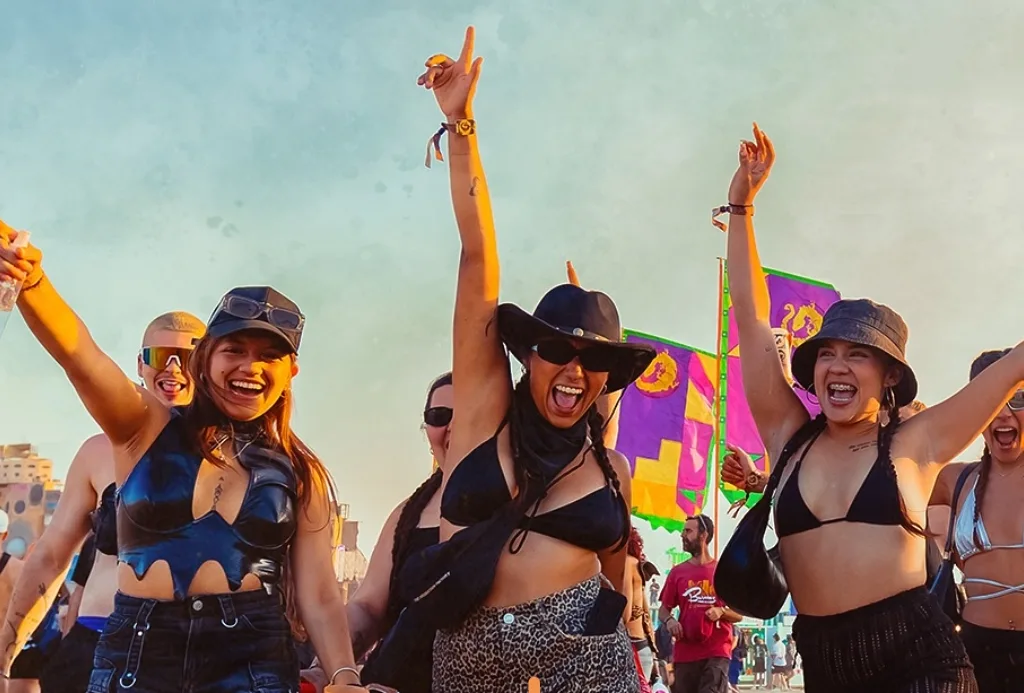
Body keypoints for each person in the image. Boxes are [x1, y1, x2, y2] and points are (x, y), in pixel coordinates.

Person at [715, 123, 1024, 691]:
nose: (838, 365)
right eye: (827, 353)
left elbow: (1013, 368)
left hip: (921, 661)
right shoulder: (788, 436)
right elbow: (751, 316)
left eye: (858, 355)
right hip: (825, 665)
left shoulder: (917, 441)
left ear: (890, 377)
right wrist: (742, 206)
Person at [0, 223, 368, 693]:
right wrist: (34, 283)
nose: (250, 367)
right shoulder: (142, 428)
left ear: (290, 371)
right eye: (234, 349)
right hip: (136, 657)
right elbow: (81, 357)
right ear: (206, 358)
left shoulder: (299, 470)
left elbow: (319, 594)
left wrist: (344, 675)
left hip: (252, 665)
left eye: (270, 356)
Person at [415, 26, 656, 693]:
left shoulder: (610, 466)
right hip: (471, 663)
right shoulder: (482, 416)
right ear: (527, 355)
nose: (573, 370)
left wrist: (617, 629)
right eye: (556, 350)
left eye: (592, 360)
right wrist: (461, 127)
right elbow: (478, 259)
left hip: (590, 665)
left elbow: (617, 570)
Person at [0, 312, 206, 693]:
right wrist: (3, 656)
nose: (174, 368)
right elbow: (51, 557)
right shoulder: (97, 453)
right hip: (94, 648)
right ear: (140, 364)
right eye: (161, 355)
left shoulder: (235, 458)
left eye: (188, 357)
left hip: (185, 657)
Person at [331, 372, 452, 693]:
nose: (453, 427)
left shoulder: (525, 506)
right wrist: (329, 665)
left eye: (467, 414)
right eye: (439, 416)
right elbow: (368, 606)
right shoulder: (407, 513)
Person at [928, 349, 1024, 692]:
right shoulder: (953, 480)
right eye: (992, 400)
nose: (1004, 413)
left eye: (1018, 399)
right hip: (975, 652)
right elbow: (877, 491)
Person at [659, 516, 741, 693]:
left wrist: (721, 611)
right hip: (685, 654)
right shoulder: (677, 573)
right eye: (683, 531)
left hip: (716, 652)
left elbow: (739, 615)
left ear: (703, 535)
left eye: (688, 531)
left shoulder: (723, 571)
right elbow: (663, 610)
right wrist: (670, 621)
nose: (683, 535)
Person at [625, 528, 658, 686]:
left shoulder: (625, 563)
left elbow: (625, 613)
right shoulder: (636, 563)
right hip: (642, 645)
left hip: (630, 646)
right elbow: (646, 613)